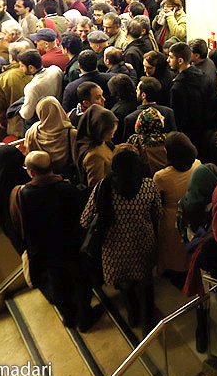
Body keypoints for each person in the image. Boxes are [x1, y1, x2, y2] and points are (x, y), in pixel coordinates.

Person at [10, 151, 95, 330]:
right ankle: (85, 319)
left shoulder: (23, 194)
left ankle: (68, 317)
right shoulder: (68, 189)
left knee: (58, 283)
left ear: (31, 172)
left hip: (45, 251)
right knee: (81, 282)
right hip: (73, 246)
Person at [81, 145, 162, 331]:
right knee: (146, 282)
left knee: (126, 285)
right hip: (144, 243)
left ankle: (133, 316)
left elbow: (85, 220)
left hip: (115, 249)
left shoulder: (104, 188)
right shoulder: (149, 185)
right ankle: (149, 320)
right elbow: (158, 214)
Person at [153, 132, 200, 278]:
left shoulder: (161, 176)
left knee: (173, 250)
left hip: (171, 218)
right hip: (192, 213)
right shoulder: (198, 164)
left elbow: (156, 202)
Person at [168, 43, 208, 147]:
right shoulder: (202, 75)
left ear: (180, 60)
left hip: (187, 135)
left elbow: (178, 118)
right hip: (203, 129)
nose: (168, 60)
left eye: (171, 57)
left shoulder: (177, 87)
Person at [24, 97, 76, 176]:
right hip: (64, 178)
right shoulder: (71, 134)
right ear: (59, 109)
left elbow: (28, 153)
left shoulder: (32, 131)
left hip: (39, 177)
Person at [0, 41, 32, 138]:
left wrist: (0, 119)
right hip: (36, 122)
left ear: (11, 57)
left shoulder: (2, 78)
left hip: (15, 125)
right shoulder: (37, 72)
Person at [121, 77, 176, 142]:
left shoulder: (130, 118)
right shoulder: (168, 112)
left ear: (143, 95)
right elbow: (174, 138)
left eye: (137, 89)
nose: (136, 91)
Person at [75, 105, 117, 188]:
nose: (112, 137)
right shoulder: (94, 156)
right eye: (110, 133)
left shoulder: (99, 141)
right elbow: (96, 187)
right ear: (98, 130)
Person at [18, 49, 63, 123]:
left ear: (31, 68)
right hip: (59, 114)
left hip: (43, 121)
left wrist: (20, 109)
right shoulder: (55, 70)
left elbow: (27, 114)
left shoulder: (32, 86)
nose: (20, 68)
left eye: (21, 66)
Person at [128, 106, 168, 175]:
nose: (163, 117)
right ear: (155, 122)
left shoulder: (134, 140)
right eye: (160, 117)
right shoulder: (167, 140)